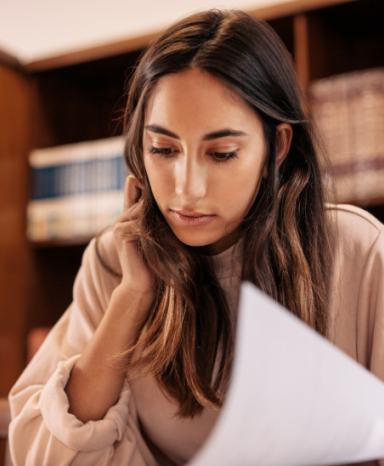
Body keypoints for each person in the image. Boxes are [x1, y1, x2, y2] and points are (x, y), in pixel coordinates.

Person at [8, 9, 384, 466]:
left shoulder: (359, 252)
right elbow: (42, 455)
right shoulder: (115, 261)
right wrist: (133, 294)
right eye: (163, 149)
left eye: (222, 154)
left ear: (277, 147)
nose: (186, 188)